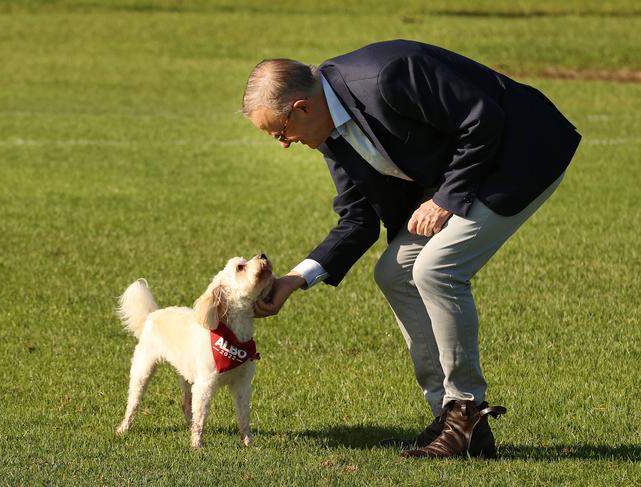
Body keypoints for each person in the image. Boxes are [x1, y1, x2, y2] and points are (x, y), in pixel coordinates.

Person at [241, 39, 580, 459]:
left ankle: (467, 411)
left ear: (301, 108)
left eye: (280, 132)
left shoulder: (387, 75)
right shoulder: (329, 133)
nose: (284, 143)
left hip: (523, 156)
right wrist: (295, 279)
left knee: (436, 268)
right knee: (395, 272)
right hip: (473, 173)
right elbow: (357, 218)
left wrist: (444, 200)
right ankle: (448, 416)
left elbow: (482, 118)